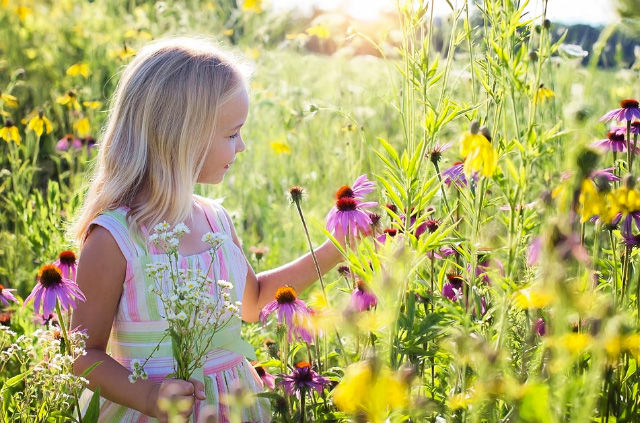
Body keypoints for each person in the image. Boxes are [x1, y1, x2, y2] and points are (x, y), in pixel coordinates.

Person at [71, 36, 345, 423]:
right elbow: (83, 354)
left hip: (235, 406)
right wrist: (149, 396)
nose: (243, 145)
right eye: (232, 134)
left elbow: (253, 303)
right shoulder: (115, 238)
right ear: (182, 138)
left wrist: (335, 248)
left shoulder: (216, 220)